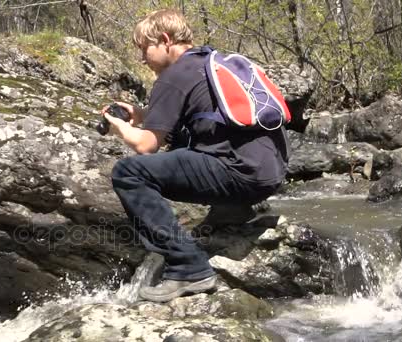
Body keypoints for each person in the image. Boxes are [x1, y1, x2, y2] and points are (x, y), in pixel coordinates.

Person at [102, 9, 289, 302]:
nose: (142, 59)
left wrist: (121, 128)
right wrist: (142, 115)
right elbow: (199, 118)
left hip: (236, 172)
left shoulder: (172, 76)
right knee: (182, 138)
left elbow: (146, 145)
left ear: (164, 40)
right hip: (270, 173)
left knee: (129, 173)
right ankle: (232, 210)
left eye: (144, 49)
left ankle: (189, 267)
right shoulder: (209, 63)